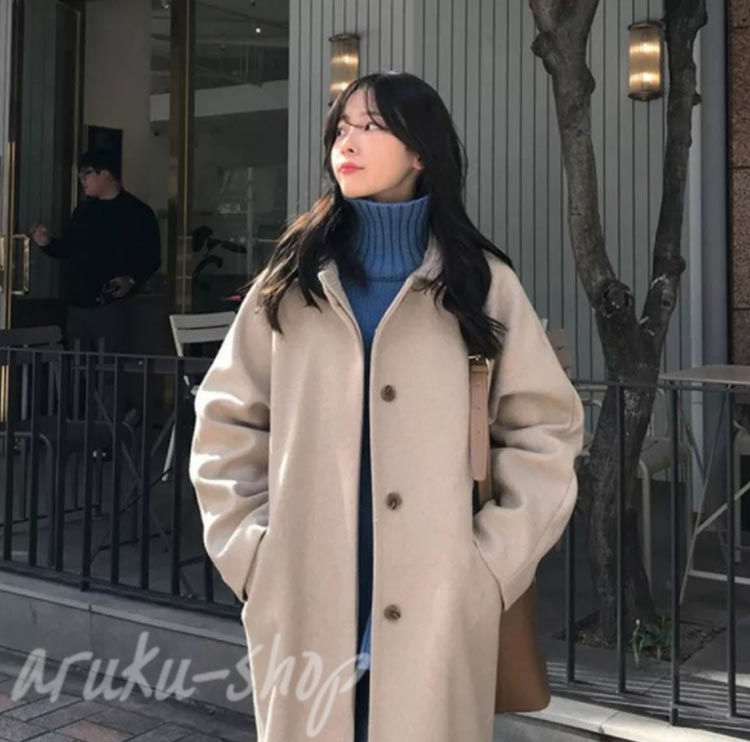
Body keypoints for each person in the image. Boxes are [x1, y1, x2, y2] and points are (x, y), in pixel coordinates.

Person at [189, 72, 584, 742]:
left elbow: (545, 430)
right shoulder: (292, 281)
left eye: (371, 127)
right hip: (305, 593)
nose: (347, 142)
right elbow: (226, 420)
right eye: (341, 128)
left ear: (420, 150)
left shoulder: (479, 284)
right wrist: (253, 556)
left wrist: (488, 565)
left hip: (439, 599)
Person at [30, 148, 161, 357]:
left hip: (113, 305)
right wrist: (47, 243)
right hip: (77, 304)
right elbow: (68, 249)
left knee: (111, 367)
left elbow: (152, 257)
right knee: (77, 366)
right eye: (80, 175)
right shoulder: (83, 210)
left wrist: (131, 279)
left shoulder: (137, 213)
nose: (82, 180)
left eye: (88, 173)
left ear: (106, 174)